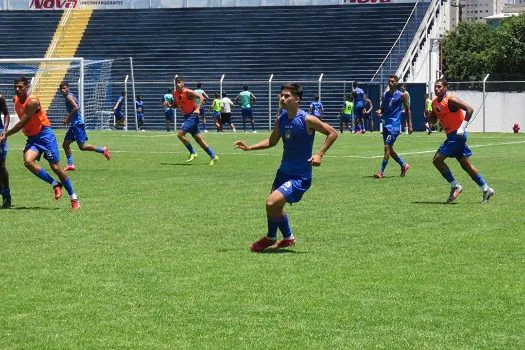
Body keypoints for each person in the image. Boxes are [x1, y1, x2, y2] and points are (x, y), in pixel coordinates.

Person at [234, 83, 338, 252]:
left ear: (297, 99)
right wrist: (249, 147)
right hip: (283, 172)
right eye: (281, 95)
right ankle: (288, 238)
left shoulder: (307, 119)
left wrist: (320, 154)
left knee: (270, 203)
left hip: (300, 176)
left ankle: (270, 237)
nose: (282, 98)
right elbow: (272, 141)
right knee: (276, 208)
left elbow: (332, 133)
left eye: (287, 96)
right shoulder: (281, 119)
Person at [0, 77, 80, 209]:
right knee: (28, 161)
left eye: (20, 86)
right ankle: (55, 184)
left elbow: (22, 123)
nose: (17, 89)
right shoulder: (15, 100)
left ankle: (74, 197)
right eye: (16, 86)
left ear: (27, 87)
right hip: (32, 139)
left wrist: (5, 134)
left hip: (45, 136)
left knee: (56, 168)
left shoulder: (32, 101)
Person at [428, 78, 495, 204]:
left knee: (437, 160)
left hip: (456, 135)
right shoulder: (435, 103)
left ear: (446, 88)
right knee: (466, 165)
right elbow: (433, 121)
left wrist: (462, 127)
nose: (437, 89)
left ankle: (455, 186)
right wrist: (428, 115)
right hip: (451, 136)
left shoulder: (451, 100)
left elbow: (469, 109)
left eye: (439, 87)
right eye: (435, 87)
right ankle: (486, 189)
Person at [59, 82, 110, 172]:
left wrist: (67, 118)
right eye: (61, 89)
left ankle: (103, 150)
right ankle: (70, 165)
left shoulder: (68, 97)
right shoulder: (70, 96)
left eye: (64, 88)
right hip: (74, 125)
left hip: (77, 125)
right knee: (65, 144)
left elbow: (76, 108)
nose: (63, 90)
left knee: (82, 147)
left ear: (68, 88)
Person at [171, 76, 219, 165]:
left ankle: (193, 152)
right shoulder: (175, 94)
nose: (177, 84)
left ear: (183, 83)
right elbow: (175, 105)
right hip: (187, 117)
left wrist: (198, 109)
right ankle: (213, 156)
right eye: (176, 82)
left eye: (179, 82)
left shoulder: (188, 92)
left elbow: (201, 97)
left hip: (193, 115)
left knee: (180, 134)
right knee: (198, 139)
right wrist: (169, 106)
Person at [373, 74, 412, 179]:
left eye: (392, 81)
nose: (390, 83)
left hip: (394, 126)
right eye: (389, 81)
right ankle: (403, 165)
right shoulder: (385, 95)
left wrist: (410, 125)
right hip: (386, 124)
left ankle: (380, 172)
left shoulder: (401, 95)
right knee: (389, 148)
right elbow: (382, 109)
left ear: (396, 83)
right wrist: (379, 111)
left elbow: (408, 109)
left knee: (387, 147)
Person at [0, 94, 11, 208]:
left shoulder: (0, 98)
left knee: (1, 167)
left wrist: (4, 130)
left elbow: (6, 114)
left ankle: (6, 195)